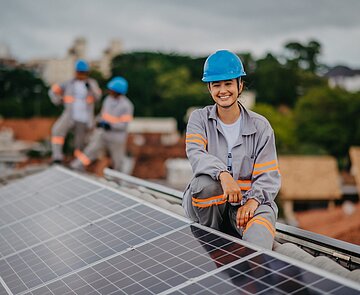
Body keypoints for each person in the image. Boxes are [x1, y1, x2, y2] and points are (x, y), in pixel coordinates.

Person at [183, 50, 281, 250]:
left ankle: (253, 271)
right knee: (205, 185)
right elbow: (196, 154)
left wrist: (253, 201)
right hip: (210, 206)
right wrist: (223, 175)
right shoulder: (199, 119)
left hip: (248, 204)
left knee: (259, 246)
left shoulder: (261, 127)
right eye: (216, 85)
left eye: (228, 83)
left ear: (240, 85)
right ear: (209, 88)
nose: (223, 90)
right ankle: (211, 240)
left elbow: (268, 174)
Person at [70, 76, 134, 172]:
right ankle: (76, 166)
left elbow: (123, 125)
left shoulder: (126, 105)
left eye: (112, 90)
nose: (109, 91)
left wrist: (110, 125)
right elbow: (102, 115)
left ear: (118, 91)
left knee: (118, 160)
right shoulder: (108, 100)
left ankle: (119, 180)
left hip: (117, 138)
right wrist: (98, 122)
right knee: (90, 150)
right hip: (104, 134)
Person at [49, 59, 102, 164]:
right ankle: (57, 156)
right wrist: (58, 100)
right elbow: (52, 91)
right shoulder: (68, 83)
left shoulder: (92, 83)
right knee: (57, 130)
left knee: (80, 144)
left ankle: (78, 163)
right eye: (79, 72)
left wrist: (90, 88)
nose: (81, 75)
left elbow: (98, 96)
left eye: (83, 73)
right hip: (69, 115)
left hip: (84, 118)